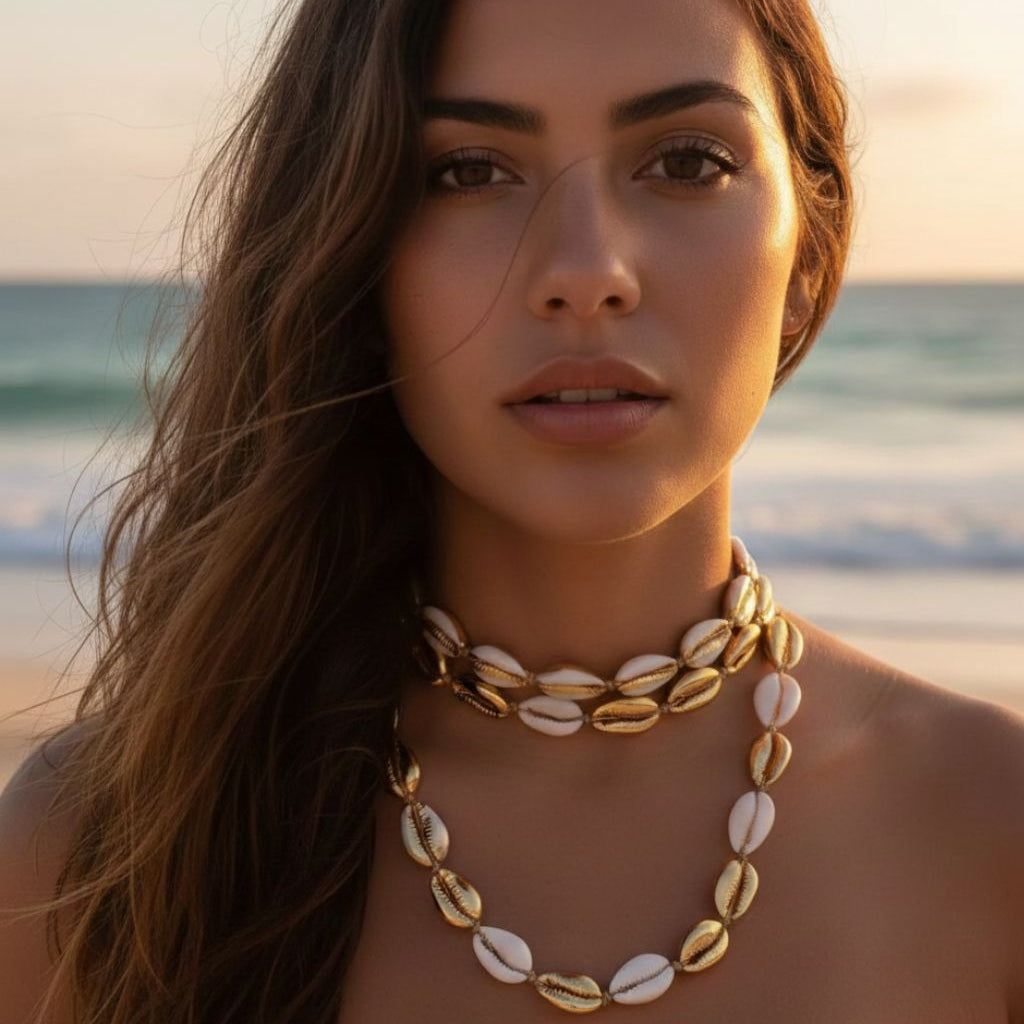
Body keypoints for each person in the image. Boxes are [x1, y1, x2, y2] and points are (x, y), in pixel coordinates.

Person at [2, 0, 1022, 1021]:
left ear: (806, 251)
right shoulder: (103, 853)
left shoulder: (993, 823)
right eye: (466, 172)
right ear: (350, 257)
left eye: (687, 161)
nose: (586, 274)